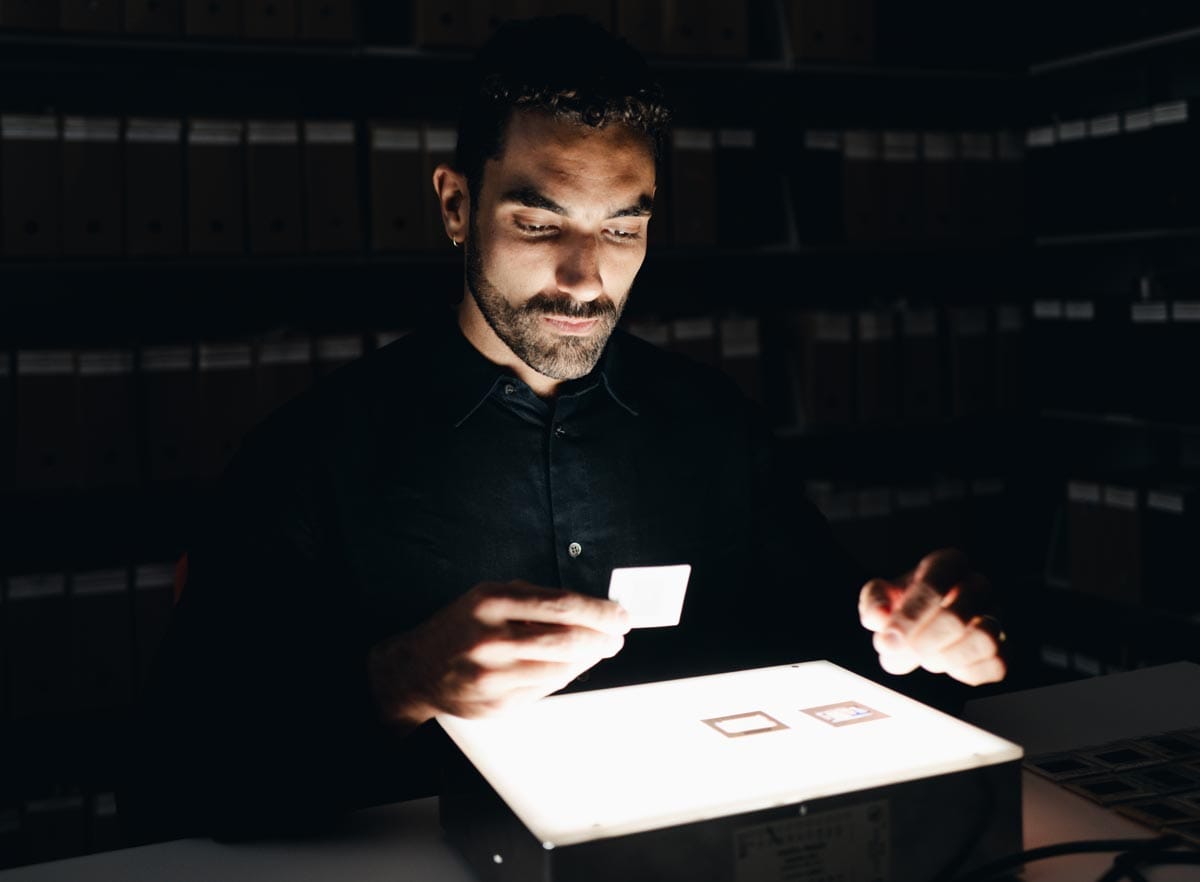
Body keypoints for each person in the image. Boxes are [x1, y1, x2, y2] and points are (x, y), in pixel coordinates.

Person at [119, 15, 1005, 844]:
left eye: (622, 227)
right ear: (457, 206)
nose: (585, 278)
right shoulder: (308, 455)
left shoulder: (712, 426)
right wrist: (402, 682)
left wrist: (924, 635)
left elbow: (831, 635)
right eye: (540, 223)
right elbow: (173, 778)